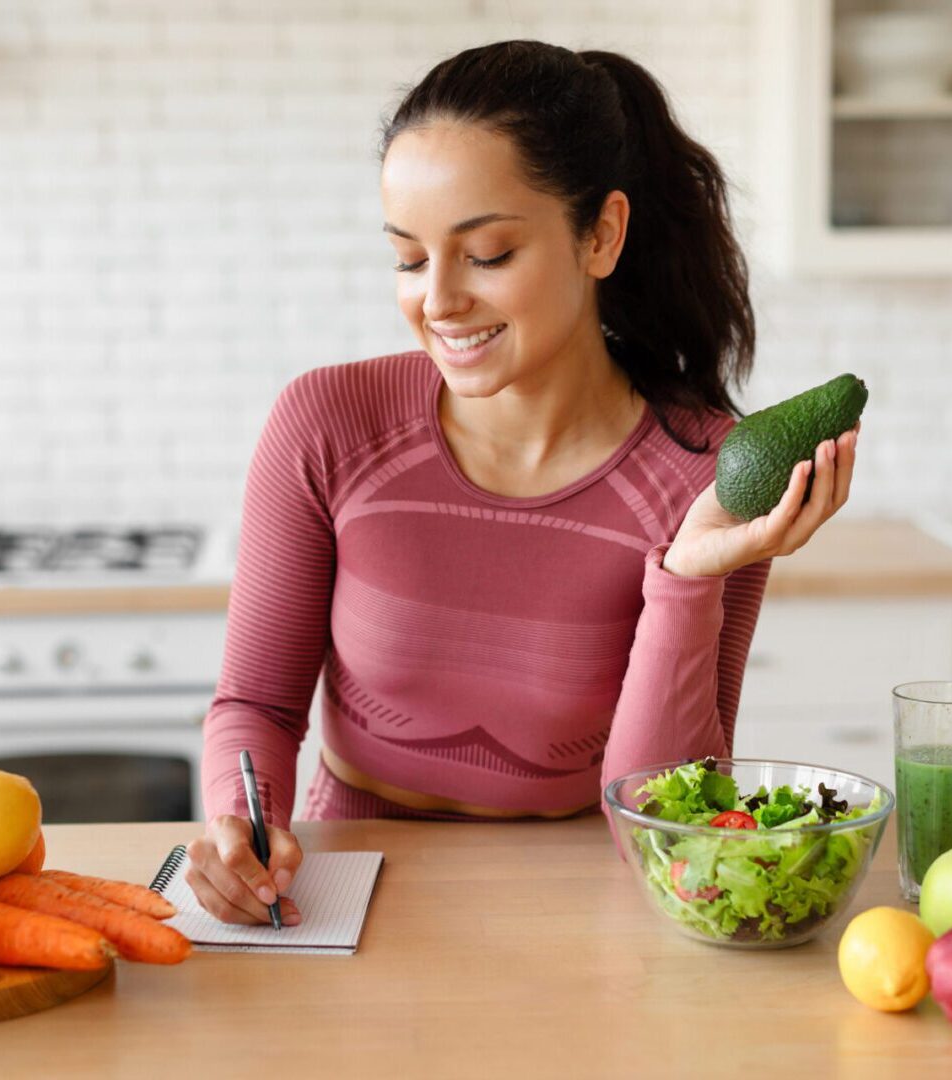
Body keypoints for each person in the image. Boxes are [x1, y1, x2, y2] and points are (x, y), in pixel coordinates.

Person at [185, 41, 859, 926]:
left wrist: (688, 576)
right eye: (409, 258)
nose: (439, 299)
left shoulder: (712, 476)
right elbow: (259, 705)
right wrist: (240, 828)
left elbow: (661, 825)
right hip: (337, 895)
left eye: (488, 253)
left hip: (585, 908)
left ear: (602, 235)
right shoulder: (327, 422)